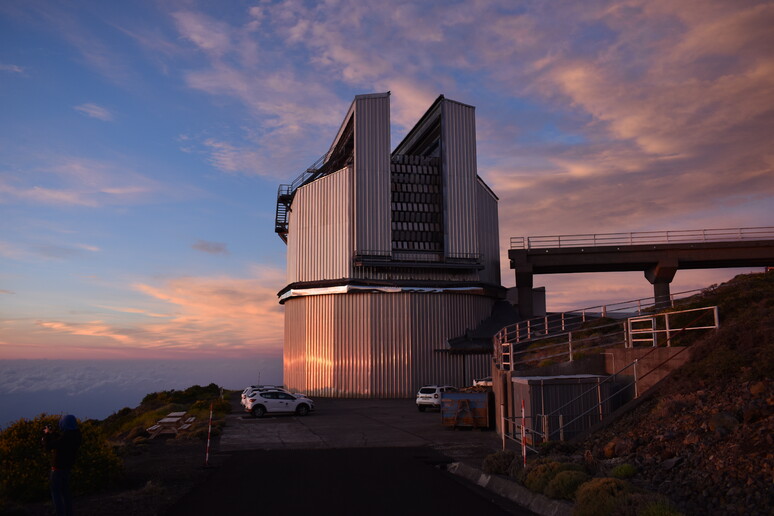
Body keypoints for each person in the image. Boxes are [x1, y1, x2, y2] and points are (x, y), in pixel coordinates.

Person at [42, 414, 82, 516]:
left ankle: (60, 513)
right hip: (67, 468)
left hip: (57, 469)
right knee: (66, 493)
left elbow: (48, 447)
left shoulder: (65, 438)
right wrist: (53, 433)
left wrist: (46, 435)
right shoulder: (76, 435)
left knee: (56, 493)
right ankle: (69, 513)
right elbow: (61, 440)